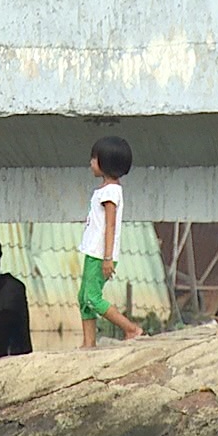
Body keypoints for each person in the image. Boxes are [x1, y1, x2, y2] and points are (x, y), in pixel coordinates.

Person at [79, 136, 144, 348]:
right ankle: (88, 343)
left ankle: (131, 329)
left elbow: (110, 226)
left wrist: (107, 257)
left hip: (100, 255)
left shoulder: (110, 192)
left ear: (104, 163)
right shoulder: (105, 190)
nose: (90, 163)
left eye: (94, 159)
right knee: (84, 297)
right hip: (93, 252)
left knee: (92, 298)